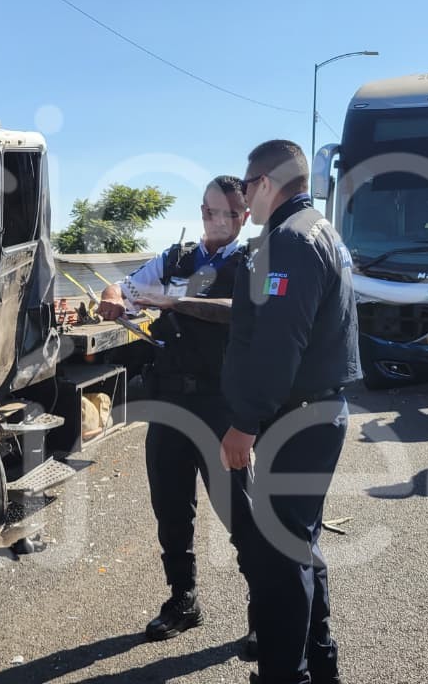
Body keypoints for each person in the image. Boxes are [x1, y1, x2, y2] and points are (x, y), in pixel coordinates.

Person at [219, 140, 361, 684]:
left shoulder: (289, 241)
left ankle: (285, 675)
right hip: (312, 412)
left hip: (293, 418)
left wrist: (244, 423)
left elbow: (280, 345)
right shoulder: (317, 232)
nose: (244, 197)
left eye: (246, 184)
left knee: (280, 563)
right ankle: (319, 664)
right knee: (300, 548)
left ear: (265, 181)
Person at [97, 175, 255, 647]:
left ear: (244, 218)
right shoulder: (175, 257)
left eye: (228, 213)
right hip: (169, 401)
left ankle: (263, 607)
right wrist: (110, 299)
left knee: (238, 509)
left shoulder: (254, 261)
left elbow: (241, 311)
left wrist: (173, 300)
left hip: (219, 403)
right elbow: (122, 287)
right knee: (170, 506)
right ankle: (183, 599)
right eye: (209, 210)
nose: (216, 219)